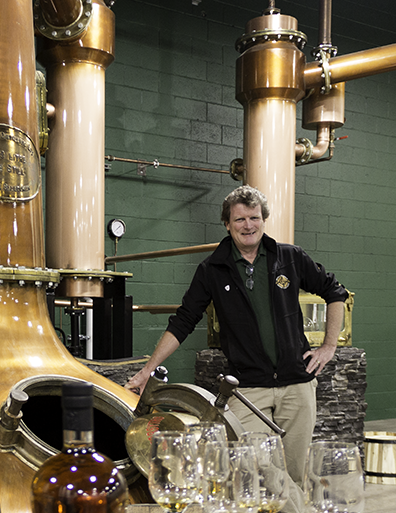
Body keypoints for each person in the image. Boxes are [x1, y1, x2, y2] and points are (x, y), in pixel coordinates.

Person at [125, 185, 349, 491]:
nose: (248, 225)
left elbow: (335, 292)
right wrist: (146, 371)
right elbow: (183, 322)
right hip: (247, 391)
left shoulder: (290, 258)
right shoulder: (211, 270)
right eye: (240, 219)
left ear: (263, 220)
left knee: (295, 473)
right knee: (259, 469)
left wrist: (329, 346)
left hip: (297, 384)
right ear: (227, 224)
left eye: (254, 218)